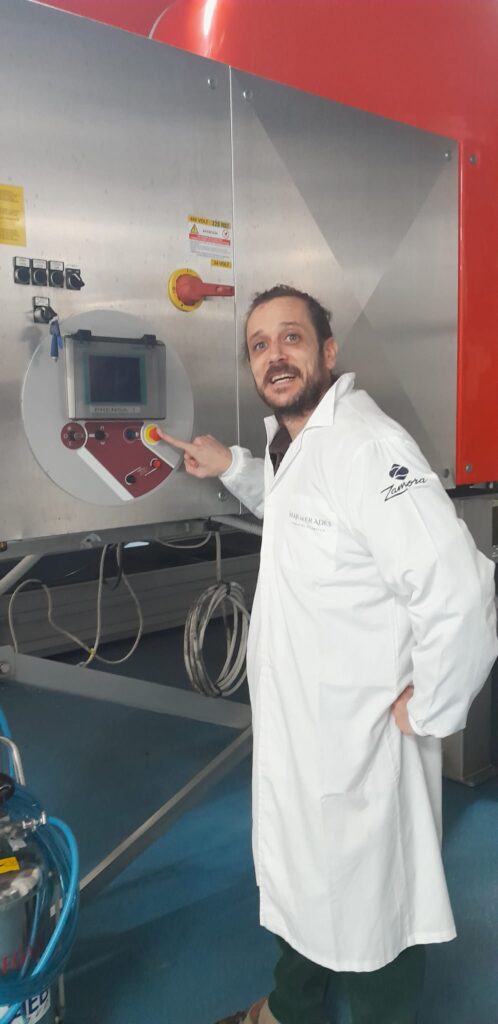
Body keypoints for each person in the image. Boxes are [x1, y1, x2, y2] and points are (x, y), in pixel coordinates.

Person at [159, 285, 497, 1024]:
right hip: (302, 733)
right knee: (303, 879)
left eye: (292, 337)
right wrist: (231, 465)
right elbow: (298, 506)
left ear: (328, 350)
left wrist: (433, 706)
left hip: (359, 739)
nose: (274, 356)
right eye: (259, 345)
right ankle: (290, 1008)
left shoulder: (368, 446)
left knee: (375, 908)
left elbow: (461, 591)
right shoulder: (299, 446)